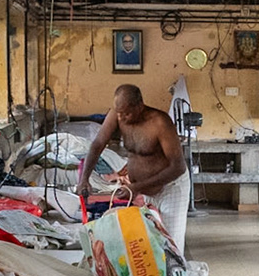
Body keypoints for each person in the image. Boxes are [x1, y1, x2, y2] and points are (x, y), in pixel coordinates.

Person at [76, 84, 190, 249]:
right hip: (145, 190)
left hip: (171, 187)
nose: (122, 118)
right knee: (150, 242)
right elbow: (97, 144)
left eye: (127, 113)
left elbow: (178, 167)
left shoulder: (160, 122)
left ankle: (176, 273)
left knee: (171, 245)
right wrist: (84, 179)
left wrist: (136, 186)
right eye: (119, 113)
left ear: (140, 106)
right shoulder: (118, 114)